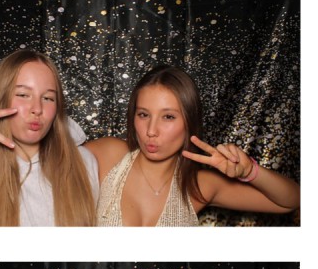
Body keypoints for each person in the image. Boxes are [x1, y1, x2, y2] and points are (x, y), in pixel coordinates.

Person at [88, 65, 300, 226]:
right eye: (143, 114)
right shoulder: (110, 154)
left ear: (189, 121)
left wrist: (250, 171)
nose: (151, 130)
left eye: (168, 117)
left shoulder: (199, 186)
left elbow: (291, 201)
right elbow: (64, 161)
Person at [0, 50, 98, 226]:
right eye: (23, 95)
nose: (37, 109)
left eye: (48, 98)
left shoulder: (82, 162)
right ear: (0, 97)